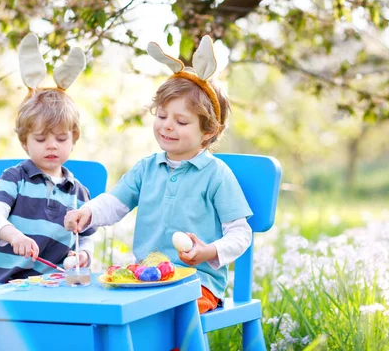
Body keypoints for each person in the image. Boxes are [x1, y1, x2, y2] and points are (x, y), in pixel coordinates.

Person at [64, 35, 252, 314]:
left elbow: (240, 233)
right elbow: (115, 203)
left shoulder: (216, 175)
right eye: (162, 116)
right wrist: (88, 212)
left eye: (181, 121)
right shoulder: (147, 168)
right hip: (145, 279)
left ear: (209, 131)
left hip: (196, 283)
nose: (167, 126)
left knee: (170, 314)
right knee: (111, 308)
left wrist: (209, 251)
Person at [0, 34, 94, 350]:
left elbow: (87, 235)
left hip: (50, 291)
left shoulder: (79, 192)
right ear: (25, 142)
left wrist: (83, 254)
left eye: (60, 139)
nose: (51, 145)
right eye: (42, 138)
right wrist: (13, 235)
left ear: (73, 140)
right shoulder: (15, 177)